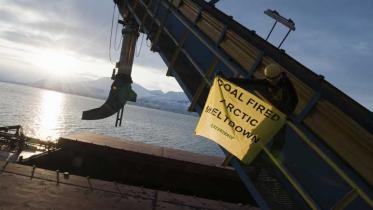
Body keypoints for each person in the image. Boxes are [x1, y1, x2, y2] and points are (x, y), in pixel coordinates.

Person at [228, 63, 299, 160]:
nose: (273, 83)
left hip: (281, 117)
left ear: (280, 76)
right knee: (258, 135)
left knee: (278, 140)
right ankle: (252, 157)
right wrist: (229, 80)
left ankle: (271, 162)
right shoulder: (268, 82)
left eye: (274, 80)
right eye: (271, 80)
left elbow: (294, 100)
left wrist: (286, 113)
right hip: (273, 115)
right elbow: (250, 83)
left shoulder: (287, 85)